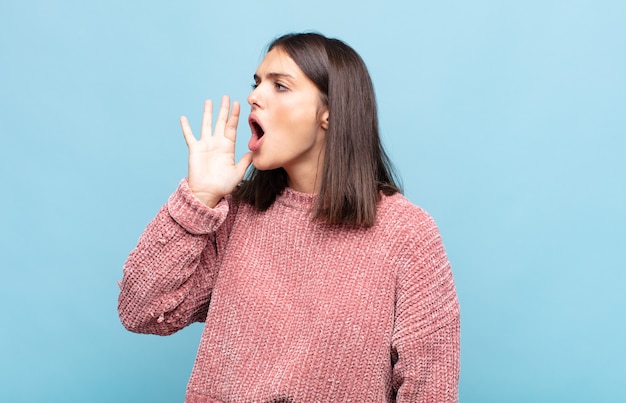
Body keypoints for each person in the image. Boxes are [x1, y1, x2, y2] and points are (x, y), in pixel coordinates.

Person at [118, 32, 460, 403]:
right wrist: (199, 199)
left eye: (280, 85)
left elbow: (431, 389)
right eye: (257, 83)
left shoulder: (407, 233)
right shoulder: (233, 217)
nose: (254, 95)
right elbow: (141, 312)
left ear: (329, 111)